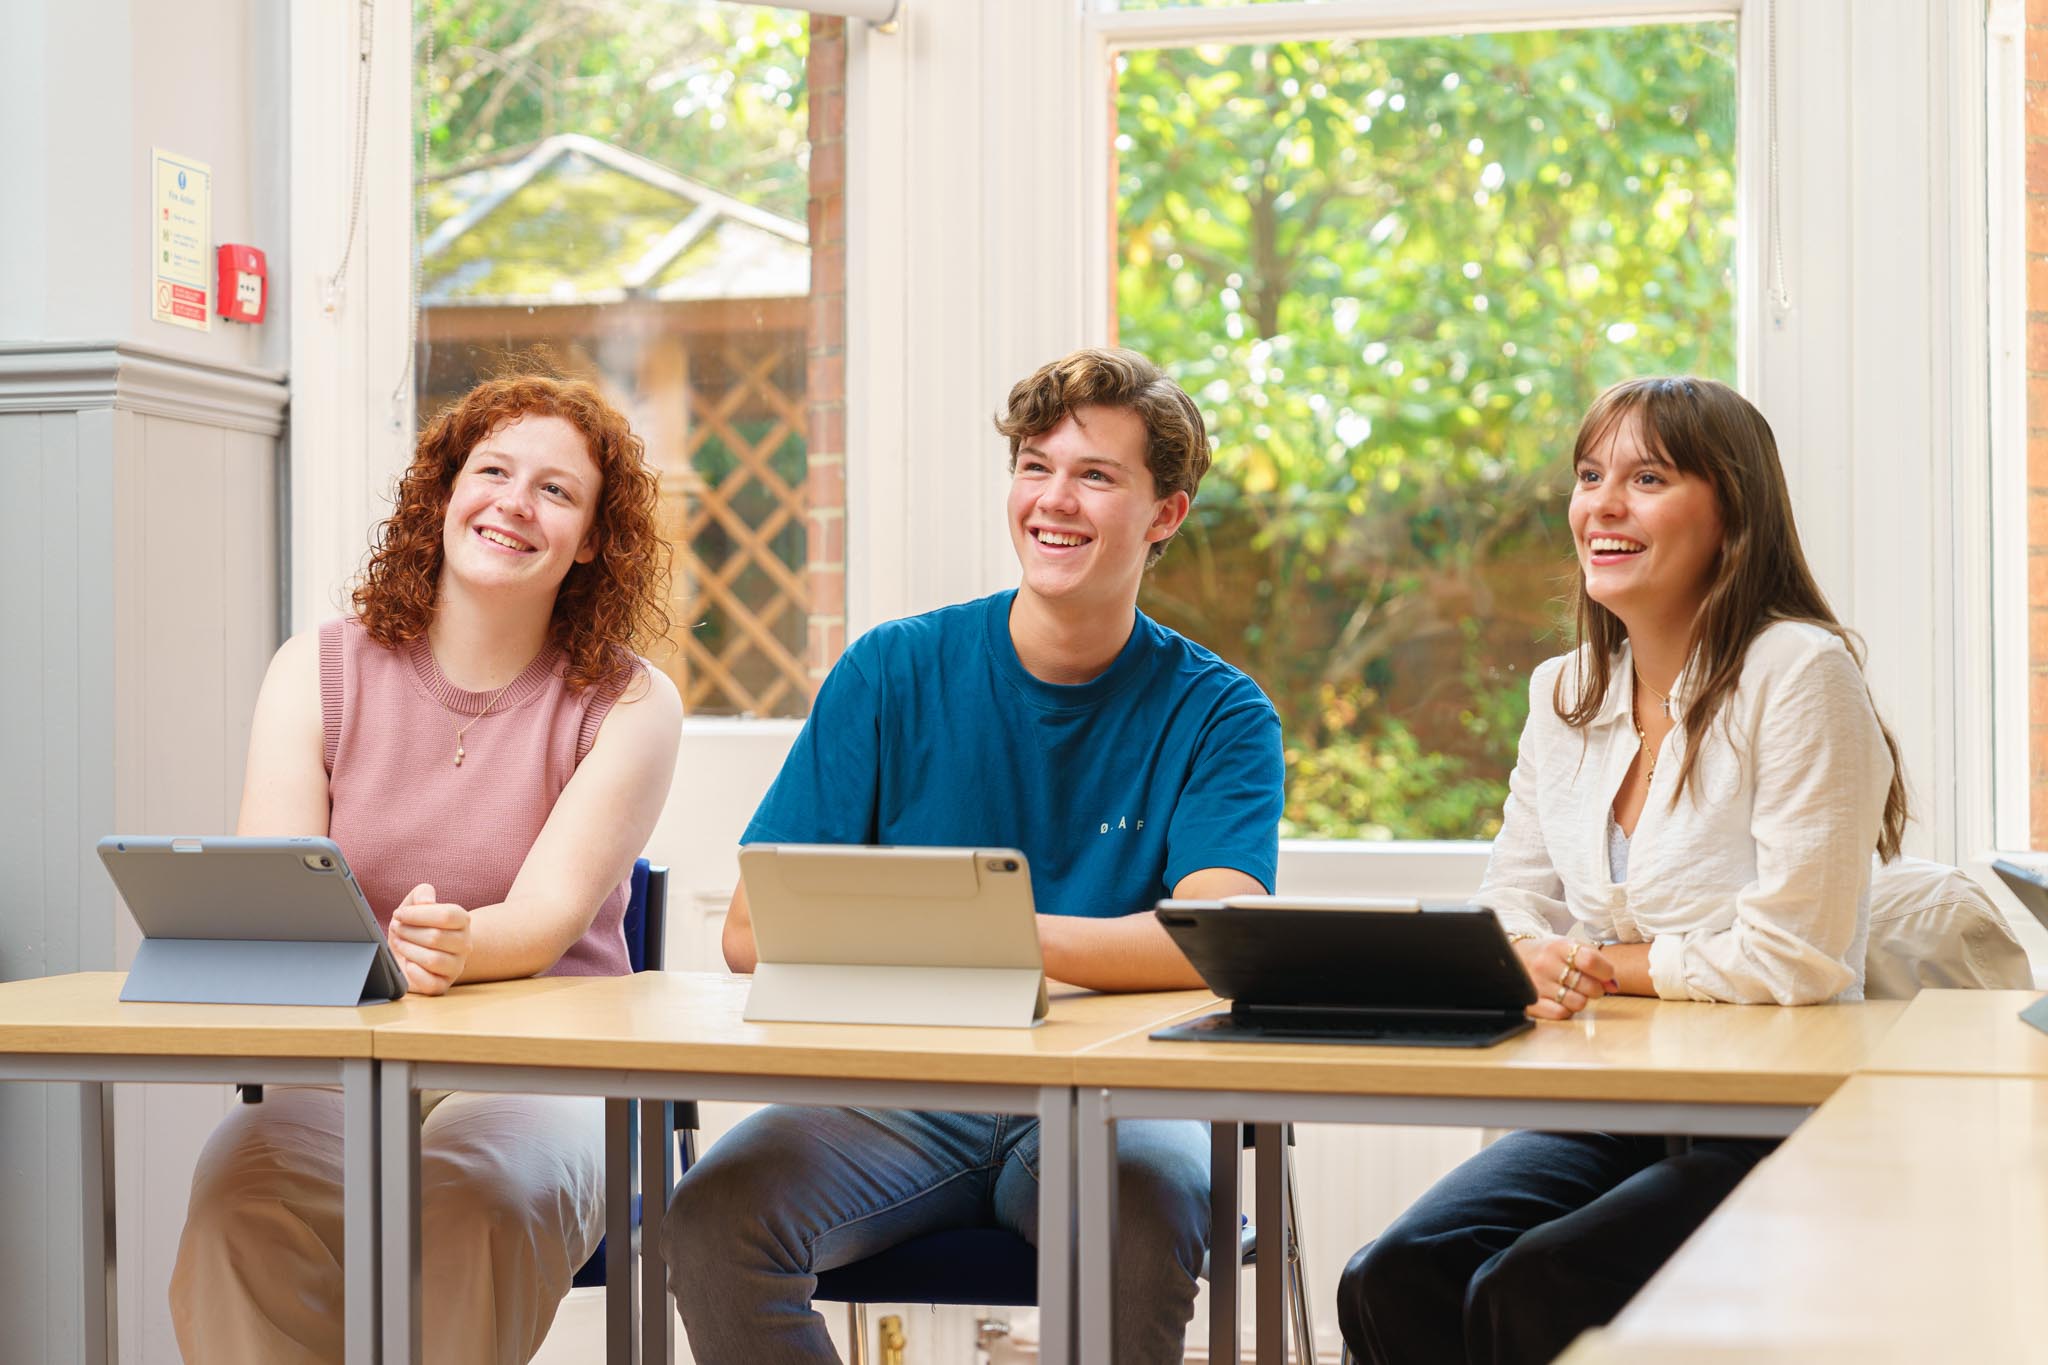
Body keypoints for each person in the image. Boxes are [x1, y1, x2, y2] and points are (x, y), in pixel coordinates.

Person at [658, 347, 1285, 1364]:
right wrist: (1027, 941)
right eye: (1034, 466)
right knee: (710, 1219)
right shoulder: (891, 671)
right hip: (895, 1097)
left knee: (1143, 1217)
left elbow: (1214, 940)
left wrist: (996, 936)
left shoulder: (1218, 713)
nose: (1053, 499)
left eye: (1094, 475)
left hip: (1113, 1098)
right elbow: (746, 932)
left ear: (1163, 514)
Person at [1335, 376, 1908, 1365]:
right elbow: (1510, 897)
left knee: (1536, 1283)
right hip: (1615, 1106)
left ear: (1732, 514)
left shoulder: (1799, 673)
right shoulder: (1562, 690)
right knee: (1393, 1271)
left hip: (1766, 1118)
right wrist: (1520, 953)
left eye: (1646, 478)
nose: (1600, 505)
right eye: (1589, 475)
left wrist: (1601, 964)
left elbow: (1794, 960)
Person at [169, 373, 683, 1364]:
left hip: (547, 1070)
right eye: (491, 471)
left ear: (590, 542)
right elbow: (281, 898)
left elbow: (543, 920)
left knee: (475, 1201)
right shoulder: (315, 667)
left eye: (556, 492)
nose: (513, 505)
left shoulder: (629, 702)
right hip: (344, 1065)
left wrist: (457, 943)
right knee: (242, 1203)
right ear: (443, 493)